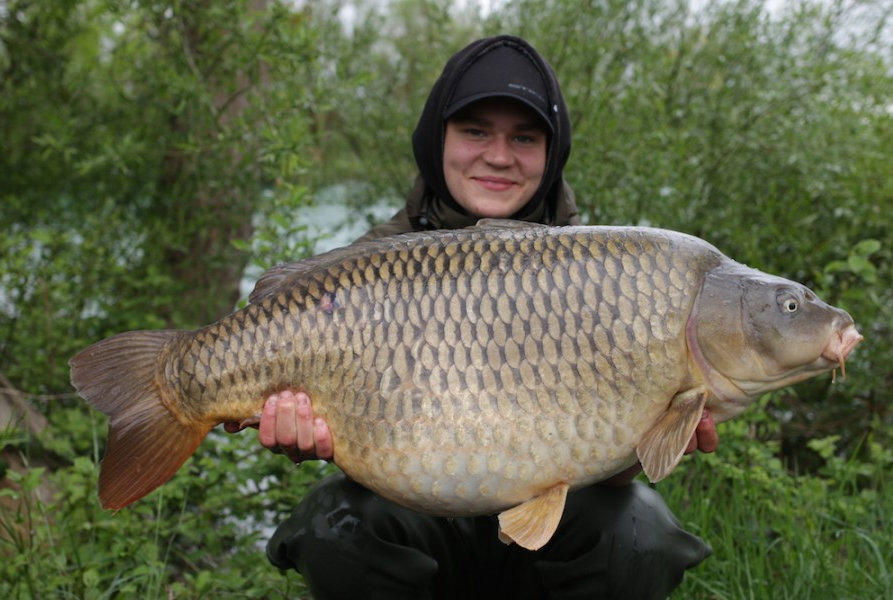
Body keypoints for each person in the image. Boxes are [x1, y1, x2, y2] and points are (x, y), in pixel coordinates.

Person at [230, 35, 717, 599]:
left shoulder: (605, 272)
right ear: (437, 138)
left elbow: (605, 463)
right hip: (419, 513)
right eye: (476, 130)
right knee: (334, 523)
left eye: (525, 137)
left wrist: (650, 435)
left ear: (551, 153)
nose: (500, 155)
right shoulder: (369, 267)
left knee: (641, 529)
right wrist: (300, 430)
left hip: (553, 524)